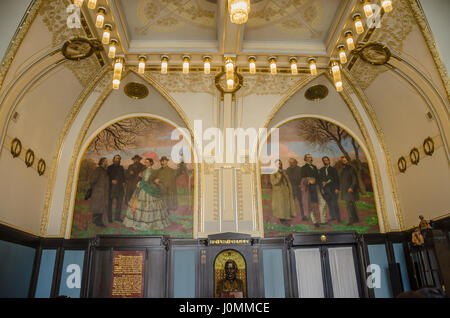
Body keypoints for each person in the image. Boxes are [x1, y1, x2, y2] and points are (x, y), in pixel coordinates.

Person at [123, 158, 170, 231]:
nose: (146, 163)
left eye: (147, 162)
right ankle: (138, 222)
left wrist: (143, 182)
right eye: (145, 162)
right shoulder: (144, 171)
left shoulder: (153, 171)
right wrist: (140, 181)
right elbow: (143, 179)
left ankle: (150, 224)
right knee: (138, 203)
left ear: (151, 163)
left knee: (150, 205)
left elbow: (150, 181)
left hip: (150, 189)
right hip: (143, 188)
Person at [269, 160, 296, 226]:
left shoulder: (283, 171)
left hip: (286, 191)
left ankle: (286, 217)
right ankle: (283, 221)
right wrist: (278, 178)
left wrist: (289, 188)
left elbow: (287, 181)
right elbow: (273, 182)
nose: (280, 165)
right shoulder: (273, 172)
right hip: (279, 193)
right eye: (278, 164)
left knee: (286, 205)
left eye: (280, 164)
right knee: (280, 207)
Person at [300, 154, 321, 227]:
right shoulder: (303, 168)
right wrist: (308, 181)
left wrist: (315, 180)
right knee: (310, 205)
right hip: (308, 188)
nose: (309, 158)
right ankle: (315, 221)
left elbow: (318, 177)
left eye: (310, 157)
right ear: (305, 159)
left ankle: (319, 219)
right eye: (307, 157)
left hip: (316, 187)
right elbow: (302, 179)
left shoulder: (314, 167)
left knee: (317, 204)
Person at [319, 156, 341, 222]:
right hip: (325, 189)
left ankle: (338, 218)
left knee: (335, 204)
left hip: (333, 189)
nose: (325, 161)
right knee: (329, 204)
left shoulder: (333, 169)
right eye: (324, 160)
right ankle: (332, 217)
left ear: (329, 161)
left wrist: (337, 188)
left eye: (326, 160)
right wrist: (321, 188)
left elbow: (337, 179)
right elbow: (320, 179)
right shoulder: (321, 169)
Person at [89, 157, 109, 227]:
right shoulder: (98, 170)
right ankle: (97, 222)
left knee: (101, 207)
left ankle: (97, 221)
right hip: (98, 193)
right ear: (102, 162)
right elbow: (92, 181)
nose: (107, 163)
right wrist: (96, 189)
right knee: (97, 207)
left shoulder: (104, 170)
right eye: (106, 161)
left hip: (103, 193)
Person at [340, 156, 359, 225]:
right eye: (343, 161)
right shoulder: (343, 169)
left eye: (345, 161)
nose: (343, 162)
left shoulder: (351, 168)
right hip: (345, 190)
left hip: (350, 190)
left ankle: (351, 220)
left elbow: (354, 179)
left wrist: (351, 187)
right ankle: (356, 219)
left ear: (347, 161)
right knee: (351, 205)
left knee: (349, 205)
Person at [107, 155, 126, 223]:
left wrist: (123, 182)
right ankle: (109, 219)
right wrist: (111, 180)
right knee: (110, 204)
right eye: (116, 158)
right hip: (112, 188)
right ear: (113, 159)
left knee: (119, 204)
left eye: (119, 159)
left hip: (120, 189)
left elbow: (123, 177)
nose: (118, 160)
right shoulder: (109, 168)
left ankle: (117, 217)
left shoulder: (121, 168)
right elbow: (106, 178)